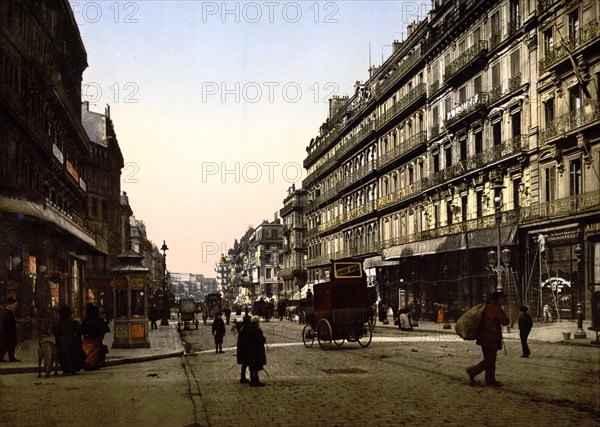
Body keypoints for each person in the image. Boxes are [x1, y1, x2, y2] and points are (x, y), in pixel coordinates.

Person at [466, 291, 509, 386]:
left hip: (483, 338)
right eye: (503, 298)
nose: (504, 300)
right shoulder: (495, 309)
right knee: (489, 360)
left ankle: (490, 379)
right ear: (498, 299)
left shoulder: (485, 306)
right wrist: (502, 311)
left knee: (490, 359)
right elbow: (505, 321)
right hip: (491, 338)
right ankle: (472, 371)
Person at [53, 304, 84, 375]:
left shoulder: (57, 325)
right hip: (72, 343)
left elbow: (56, 335)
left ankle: (66, 369)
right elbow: (79, 333)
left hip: (62, 344)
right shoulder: (73, 323)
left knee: (64, 354)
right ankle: (73, 368)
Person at [81, 303, 110, 371]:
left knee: (88, 350)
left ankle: (88, 362)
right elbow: (104, 330)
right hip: (96, 340)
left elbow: (82, 330)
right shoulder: (99, 321)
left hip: (88, 340)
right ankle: (94, 362)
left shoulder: (86, 321)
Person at [248, 315, 267, 387]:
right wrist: (263, 339)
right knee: (256, 364)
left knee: (252, 365)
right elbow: (259, 340)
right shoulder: (258, 330)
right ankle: (255, 380)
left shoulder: (250, 329)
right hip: (257, 350)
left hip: (251, 349)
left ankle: (252, 379)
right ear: (256, 322)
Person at [0, 297, 19, 362]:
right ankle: (2, 358)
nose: (14, 306)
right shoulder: (4, 312)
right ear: (10, 304)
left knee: (10, 346)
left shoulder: (8, 311)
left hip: (9, 333)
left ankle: (11, 357)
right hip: (6, 333)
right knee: (5, 347)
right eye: (14, 305)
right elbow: (3, 324)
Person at [236, 314, 251, 383]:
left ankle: (243, 376)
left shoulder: (243, 327)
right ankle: (247, 377)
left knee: (244, 363)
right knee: (247, 362)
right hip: (246, 348)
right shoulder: (248, 327)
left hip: (242, 348)